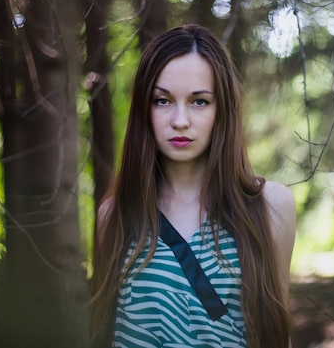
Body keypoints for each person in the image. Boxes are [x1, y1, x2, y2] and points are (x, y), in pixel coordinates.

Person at [91, 24, 296, 348]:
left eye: (199, 102)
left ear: (222, 110)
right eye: (162, 101)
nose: (181, 120)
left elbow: (277, 338)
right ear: (144, 109)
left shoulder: (269, 206)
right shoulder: (115, 216)